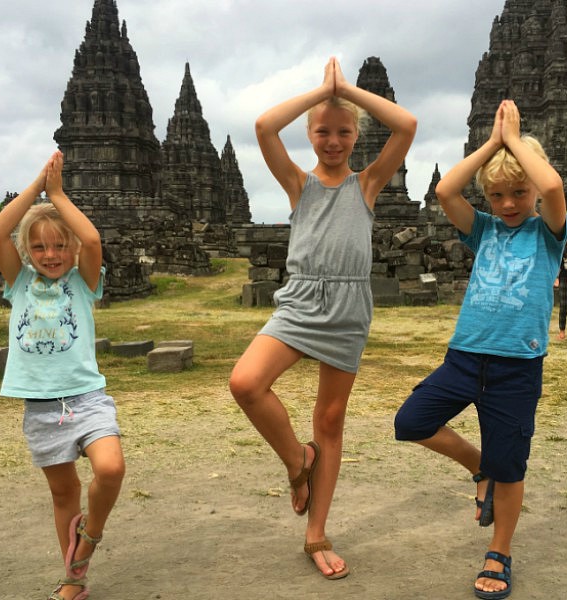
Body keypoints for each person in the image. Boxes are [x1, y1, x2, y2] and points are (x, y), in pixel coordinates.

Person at [229, 57, 416, 580]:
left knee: (330, 420)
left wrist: (348, 90)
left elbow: (407, 127)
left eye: (343, 131)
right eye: (322, 131)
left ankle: (317, 534)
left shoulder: (369, 183)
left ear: (357, 135)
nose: (332, 141)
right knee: (246, 382)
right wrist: (321, 92)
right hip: (300, 303)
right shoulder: (298, 183)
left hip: (349, 307)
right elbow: (265, 127)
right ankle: (297, 462)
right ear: (310, 133)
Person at [394, 99, 567, 599]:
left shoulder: (548, 235)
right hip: (465, 357)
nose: (508, 203)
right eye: (496, 194)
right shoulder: (483, 230)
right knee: (411, 421)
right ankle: (478, 467)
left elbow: (553, 186)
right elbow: (446, 190)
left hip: (518, 368)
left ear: (532, 190)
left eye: (518, 192)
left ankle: (500, 551)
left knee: (512, 465)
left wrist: (515, 142)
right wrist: (492, 144)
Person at [0, 151, 125, 600]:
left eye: (60, 246)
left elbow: (92, 237)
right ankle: (74, 578)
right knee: (64, 495)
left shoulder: (85, 282)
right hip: (42, 407)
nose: (51, 255)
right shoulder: (20, 283)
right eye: (41, 247)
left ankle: (91, 537)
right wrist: (36, 188)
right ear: (28, 252)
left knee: (110, 468)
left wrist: (59, 194)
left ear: (74, 251)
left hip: (86, 398)